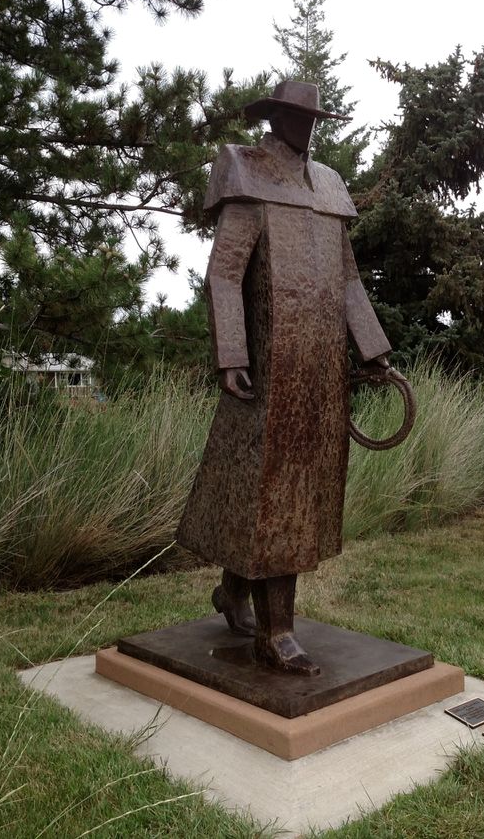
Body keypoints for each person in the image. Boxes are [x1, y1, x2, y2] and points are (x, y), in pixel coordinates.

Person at [177, 81, 392, 675]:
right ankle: (278, 635)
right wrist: (232, 354)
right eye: (298, 114)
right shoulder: (247, 173)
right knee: (273, 495)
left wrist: (372, 349)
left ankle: (233, 593)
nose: (308, 125)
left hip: (319, 373)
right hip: (270, 371)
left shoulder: (327, 185)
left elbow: (348, 281)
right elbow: (224, 274)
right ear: (274, 116)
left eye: (314, 116)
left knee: (282, 494)